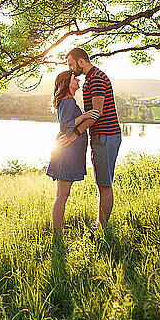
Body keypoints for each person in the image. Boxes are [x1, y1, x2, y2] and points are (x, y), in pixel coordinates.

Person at [58, 48, 122, 229]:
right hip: (100, 136)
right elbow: (90, 114)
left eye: (71, 64)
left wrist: (74, 135)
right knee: (102, 183)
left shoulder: (97, 79)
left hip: (106, 135)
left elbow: (96, 114)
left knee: (104, 184)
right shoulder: (89, 80)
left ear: (80, 61)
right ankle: (101, 226)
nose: (70, 69)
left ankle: (102, 228)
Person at [46, 70, 99, 235]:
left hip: (68, 152)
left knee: (63, 194)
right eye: (74, 78)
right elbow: (66, 126)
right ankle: (57, 234)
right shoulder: (68, 100)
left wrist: (83, 116)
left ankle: (57, 232)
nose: (78, 80)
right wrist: (85, 117)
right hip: (66, 153)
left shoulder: (68, 100)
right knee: (62, 195)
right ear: (67, 83)